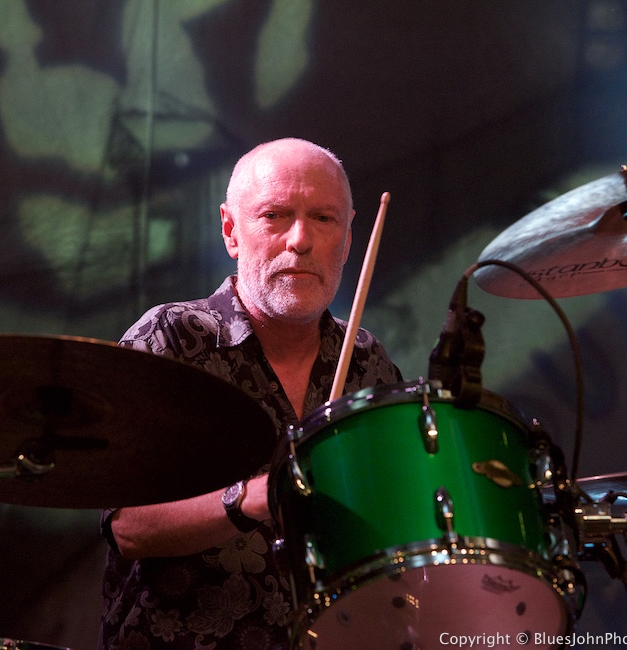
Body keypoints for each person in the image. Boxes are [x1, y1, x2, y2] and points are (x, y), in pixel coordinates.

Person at [99, 138, 401, 650]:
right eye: (274, 216)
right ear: (230, 230)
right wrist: (259, 497)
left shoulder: (368, 362)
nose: (300, 240)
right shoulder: (169, 339)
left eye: (324, 218)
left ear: (349, 239)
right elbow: (127, 525)